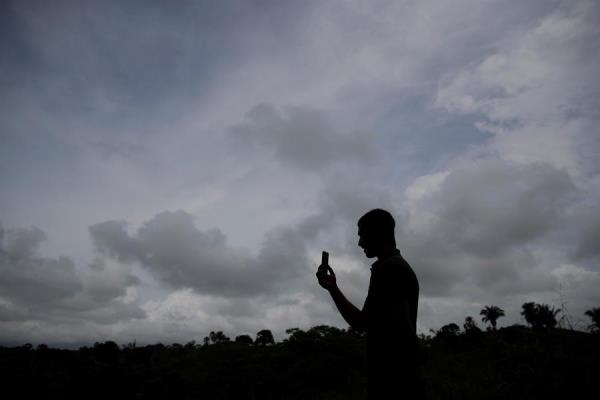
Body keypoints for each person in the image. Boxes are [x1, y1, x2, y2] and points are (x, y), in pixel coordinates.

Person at [316, 209, 424, 399]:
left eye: (362, 235)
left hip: (393, 384)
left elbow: (361, 322)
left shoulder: (388, 269)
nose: (360, 243)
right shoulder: (397, 266)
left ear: (378, 233)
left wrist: (332, 289)